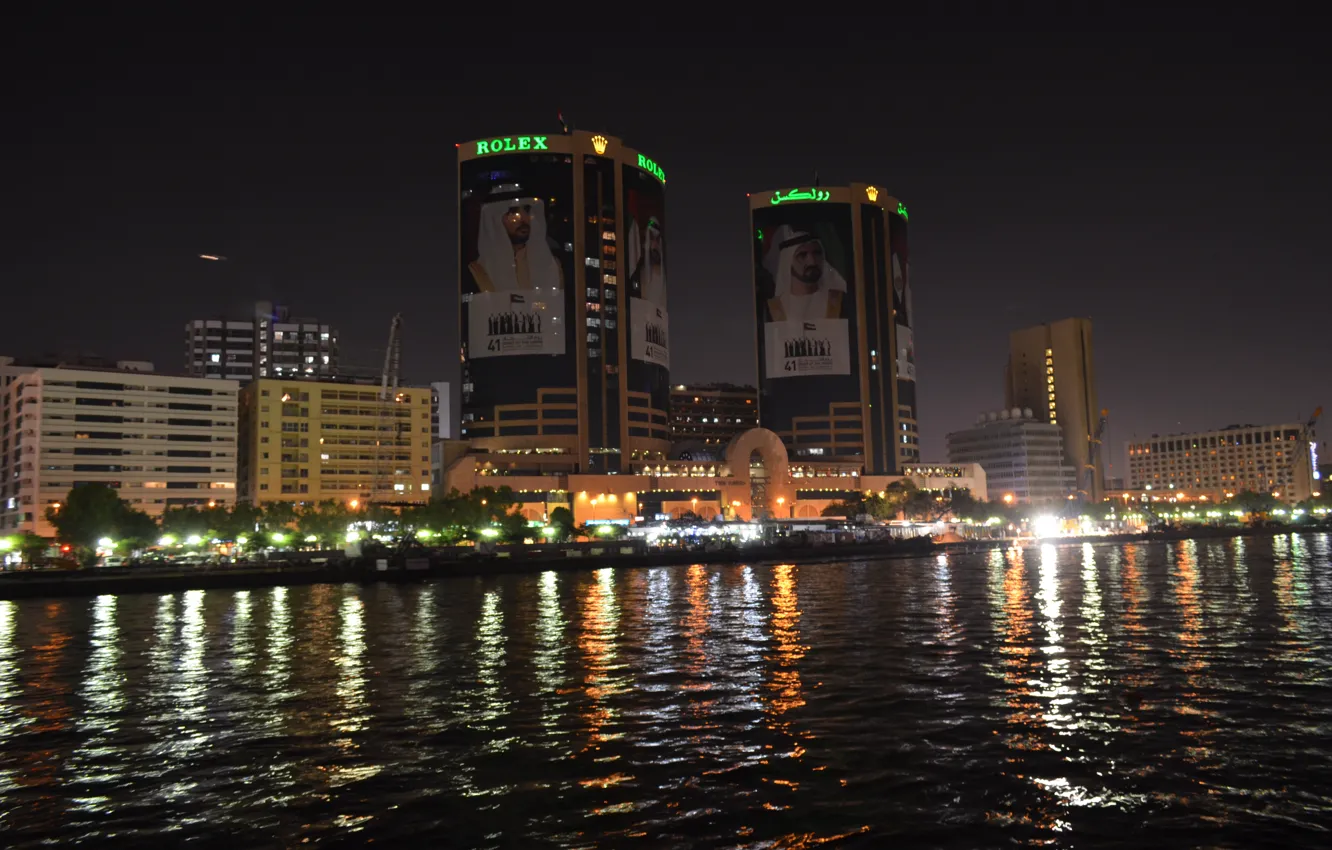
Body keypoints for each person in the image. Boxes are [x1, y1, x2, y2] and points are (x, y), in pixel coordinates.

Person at [467, 183, 564, 292]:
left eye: (526, 210)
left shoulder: (553, 266)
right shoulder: (478, 271)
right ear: (494, 220)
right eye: (513, 213)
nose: (524, 219)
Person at [763, 225, 846, 322]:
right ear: (788, 262)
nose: (812, 261)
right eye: (802, 255)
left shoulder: (840, 302)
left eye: (817, 253)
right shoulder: (773, 309)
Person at [627, 216, 666, 306]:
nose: (655, 244)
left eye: (657, 239)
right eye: (651, 238)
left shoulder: (661, 273)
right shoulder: (637, 271)